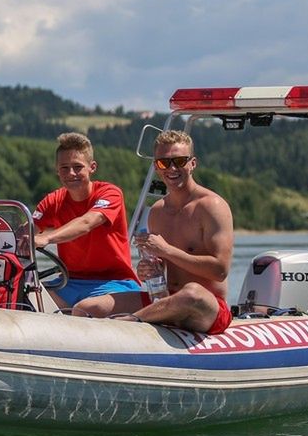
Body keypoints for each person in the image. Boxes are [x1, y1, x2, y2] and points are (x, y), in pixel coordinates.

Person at [91, 130, 234, 334]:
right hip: (165, 298)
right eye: (163, 162)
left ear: (193, 163)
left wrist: (167, 251)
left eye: (179, 161)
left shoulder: (212, 206)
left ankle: (132, 322)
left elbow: (220, 271)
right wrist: (148, 270)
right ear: (156, 166)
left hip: (206, 307)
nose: (171, 168)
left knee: (191, 293)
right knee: (90, 307)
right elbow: (161, 267)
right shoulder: (157, 211)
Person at [32, 133, 143, 316]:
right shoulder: (53, 200)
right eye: (64, 168)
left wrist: (47, 238)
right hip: (69, 283)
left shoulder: (110, 193)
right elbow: (27, 232)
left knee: (85, 309)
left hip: (114, 283)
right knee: (23, 296)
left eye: (77, 167)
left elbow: (87, 222)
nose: (71, 173)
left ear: (92, 167)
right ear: (57, 170)